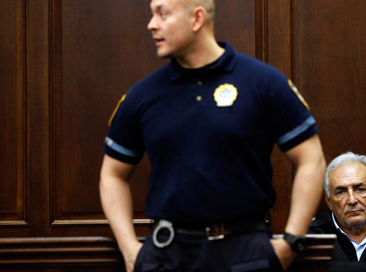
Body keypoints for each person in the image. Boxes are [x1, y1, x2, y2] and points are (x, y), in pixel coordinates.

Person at [99, 0, 327, 271]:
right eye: (151, 14)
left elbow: (311, 160)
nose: (151, 24)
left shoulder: (263, 82)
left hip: (246, 253)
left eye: (162, 13)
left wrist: (292, 241)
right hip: (168, 256)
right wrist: (129, 250)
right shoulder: (142, 96)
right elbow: (112, 174)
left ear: (196, 19)